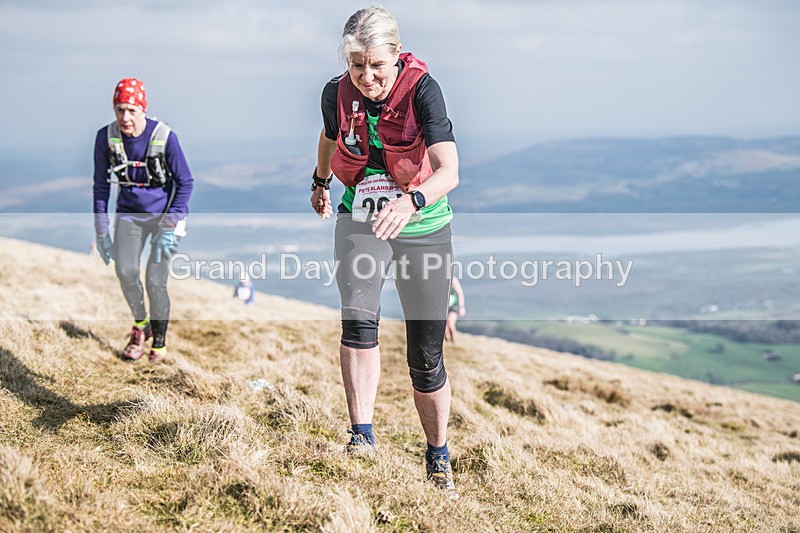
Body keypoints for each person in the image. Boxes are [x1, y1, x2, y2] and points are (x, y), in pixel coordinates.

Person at [311, 6, 460, 497]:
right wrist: (320, 182)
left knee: (426, 356)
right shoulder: (336, 93)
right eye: (357, 65)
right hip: (361, 215)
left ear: (396, 54)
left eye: (377, 64)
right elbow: (329, 136)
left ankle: (437, 455)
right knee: (357, 319)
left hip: (423, 221)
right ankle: (361, 437)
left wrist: (411, 201)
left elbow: (449, 171)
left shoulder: (424, 91)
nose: (367, 76)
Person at [93, 77, 193, 363]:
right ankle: (141, 325)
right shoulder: (105, 138)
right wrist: (102, 231)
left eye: (132, 110)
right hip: (129, 215)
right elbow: (100, 185)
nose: (125, 117)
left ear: (143, 110)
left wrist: (170, 226)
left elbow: (185, 182)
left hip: (165, 217)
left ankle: (159, 345)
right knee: (125, 272)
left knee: (154, 281)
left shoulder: (165, 137)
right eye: (119, 109)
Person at [445, 276, 466, 343]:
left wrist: (462, 307)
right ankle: (448, 342)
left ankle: (454, 341)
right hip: (444, 307)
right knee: (445, 328)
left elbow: (460, 293)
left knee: (451, 324)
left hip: (453, 306)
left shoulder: (453, 280)